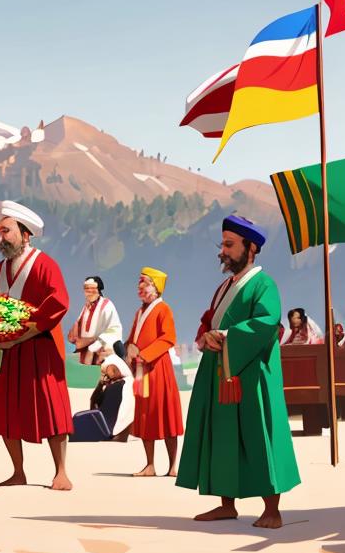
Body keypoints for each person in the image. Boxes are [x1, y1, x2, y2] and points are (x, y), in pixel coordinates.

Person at [176, 215, 299, 528]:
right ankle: (226, 504)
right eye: (223, 245)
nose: (223, 252)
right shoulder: (223, 288)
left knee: (258, 434)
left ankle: (272, 509)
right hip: (220, 372)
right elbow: (209, 320)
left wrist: (226, 336)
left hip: (252, 374)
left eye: (230, 245)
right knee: (221, 435)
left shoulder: (263, 284)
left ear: (251, 247)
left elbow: (267, 322)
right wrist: (206, 337)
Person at [0, 200, 73, 490]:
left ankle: (61, 471)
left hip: (39, 346)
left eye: (6, 231)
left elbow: (59, 302)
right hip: (6, 350)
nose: (1, 238)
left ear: (25, 234)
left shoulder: (45, 265)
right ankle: (18, 471)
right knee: (5, 408)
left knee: (50, 406)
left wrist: (26, 329)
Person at [126, 267, 184, 477]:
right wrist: (129, 350)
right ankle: (149, 465)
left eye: (144, 282)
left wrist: (145, 354)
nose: (140, 286)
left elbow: (168, 338)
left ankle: (172, 466)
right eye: (139, 282)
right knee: (144, 414)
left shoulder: (163, 309)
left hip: (158, 367)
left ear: (155, 287)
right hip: (141, 370)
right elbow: (133, 338)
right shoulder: (140, 312)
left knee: (165, 413)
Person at [71, 340, 134, 442]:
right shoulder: (117, 385)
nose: (105, 375)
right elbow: (94, 407)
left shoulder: (121, 385)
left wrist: (101, 385)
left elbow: (94, 406)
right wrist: (101, 385)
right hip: (107, 428)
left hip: (108, 430)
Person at [67, 276, 122, 365]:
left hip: (100, 351)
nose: (88, 292)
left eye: (92, 289)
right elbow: (74, 334)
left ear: (98, 290)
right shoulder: (86, 307)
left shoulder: (107, 305)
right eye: (86, 289)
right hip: (84, 352)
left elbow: (113, 330)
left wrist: (93, 343)